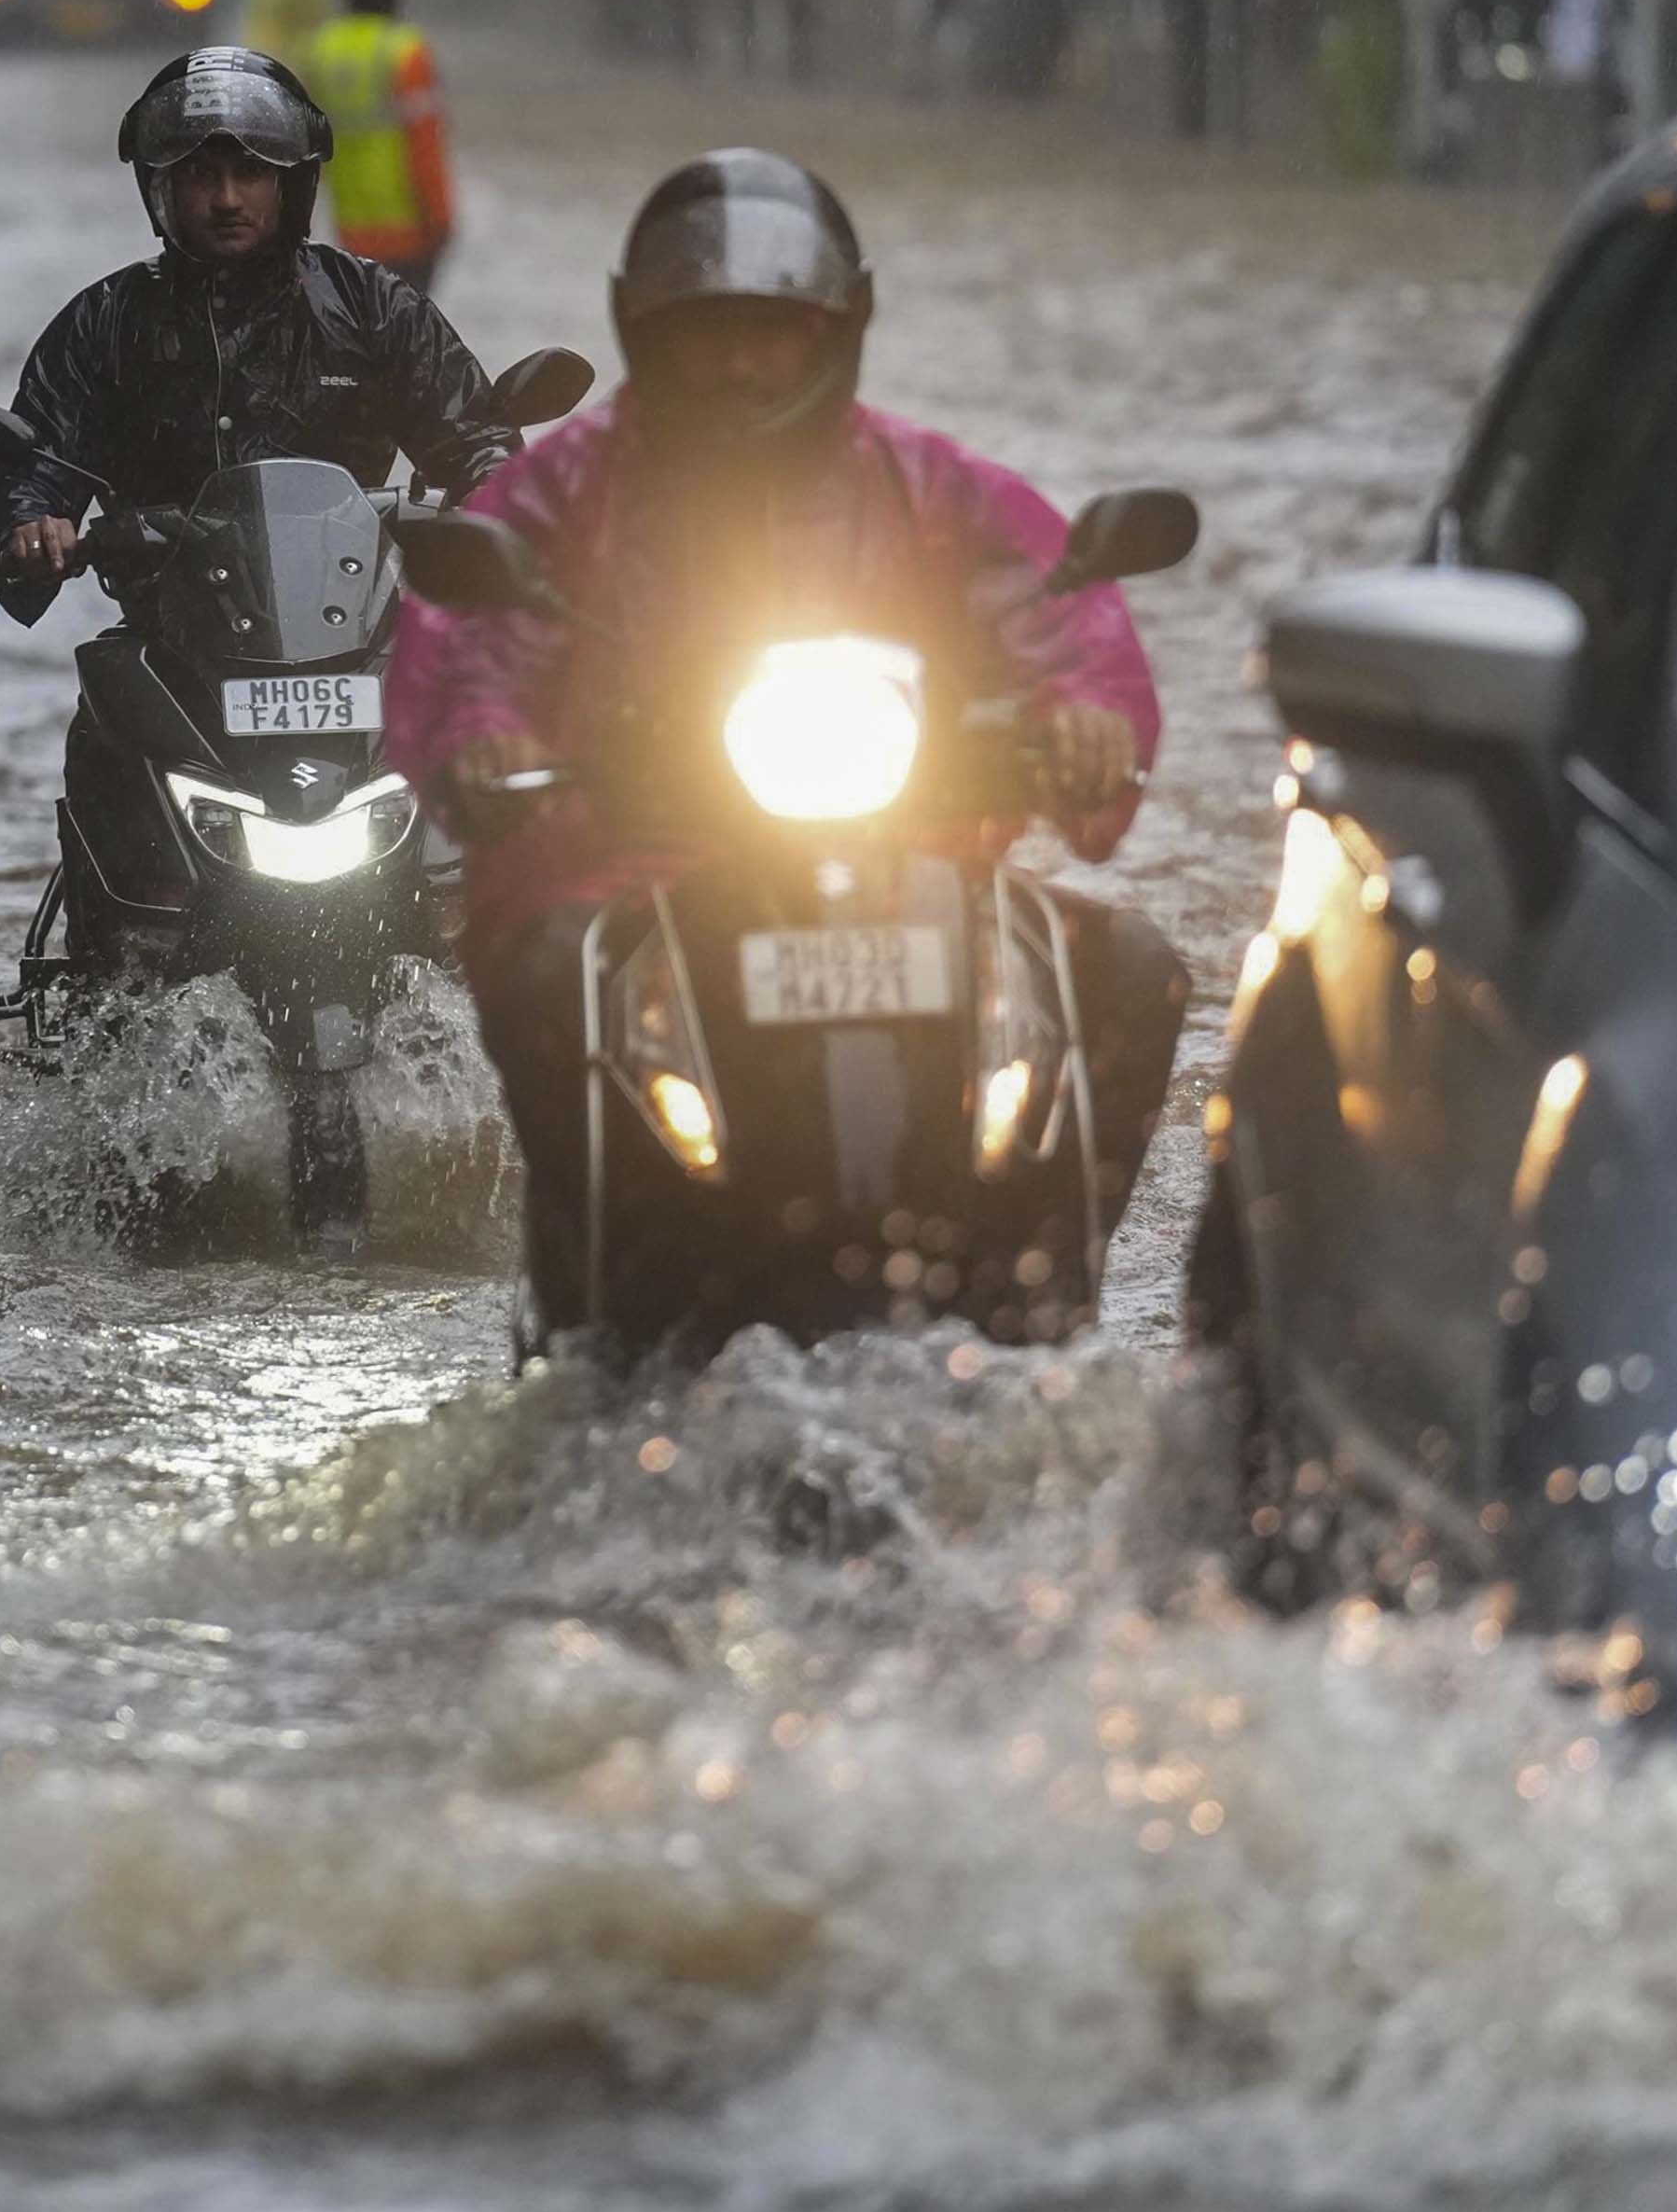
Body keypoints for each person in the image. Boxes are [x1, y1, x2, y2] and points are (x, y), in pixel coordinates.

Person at [384, 147, 1190, 1328]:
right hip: (632, 881)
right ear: (647, 333)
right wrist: (489, 742)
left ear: (836, 330)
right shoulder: (563, 492)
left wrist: (1086, 722)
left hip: (912, 873)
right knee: (552, 978)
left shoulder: (928, 483)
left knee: (1131, 970)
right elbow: (478, 644)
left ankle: (1043, 1289)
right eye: (708, 330)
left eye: (775, 328)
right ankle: (597, 1308)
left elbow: (1051, 614)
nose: (742, 360)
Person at [0, 45, 517, 622]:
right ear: (161, 189)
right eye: (203, 176)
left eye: (251, 173)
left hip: (354, 627)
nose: (228, 199)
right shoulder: (104, 321)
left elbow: (474, 437)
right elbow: (37, 465)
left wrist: (492, 498)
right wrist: (33, 525)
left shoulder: (370, 305)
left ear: (292, 184)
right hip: (167, 638)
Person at [302, 0, 457, 293]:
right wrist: (442, 219)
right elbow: (425, 146)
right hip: (409, 230)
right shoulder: (406, 51)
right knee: (408, 337)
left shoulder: (321, 51)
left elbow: (306, 149)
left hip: (350, 229)